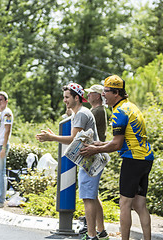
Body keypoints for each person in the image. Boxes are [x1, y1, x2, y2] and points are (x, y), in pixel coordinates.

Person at [80, 75, 154, 240]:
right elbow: (119, 140)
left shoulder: (119, 112)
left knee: (124, 204)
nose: (104, 94)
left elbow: (117, 145)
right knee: (140, 204)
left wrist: (93, 150)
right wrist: (99, 144)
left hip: (133, 159)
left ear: (116, 93)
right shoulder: (130, 106)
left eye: (106, 91)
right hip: (145, 158)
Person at [35, 83, 108, 240]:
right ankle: (101, 232)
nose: (64, 101)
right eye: (64, 97)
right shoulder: (79, 113)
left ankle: (91, 235)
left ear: (77, 98)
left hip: (89, 159)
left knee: (88, 197)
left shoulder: (81, 114)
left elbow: (73, 139)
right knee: (93, 195)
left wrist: (51, 137)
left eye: (67, 97)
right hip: (92, 159)